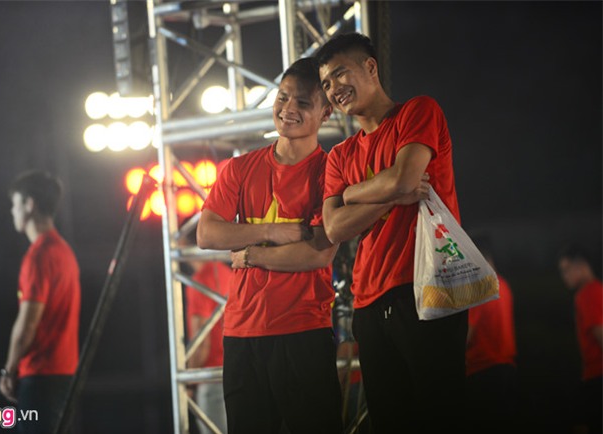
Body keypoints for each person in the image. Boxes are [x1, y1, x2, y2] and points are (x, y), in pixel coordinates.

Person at [317, 32, 464, 434]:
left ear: (370, 67)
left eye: (340, 74)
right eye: (326, 83)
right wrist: (387, 197)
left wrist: (350, 194)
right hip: (367, 303)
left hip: (428, 287)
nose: (333, 89)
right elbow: (334, 226)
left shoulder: (418, 111)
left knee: (440, 416)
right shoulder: (339, 156)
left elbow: (405, 178)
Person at [196, 57, 344, 434]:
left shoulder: (332, 171)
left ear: (326, 112)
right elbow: (207, 234)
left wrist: (250, 254)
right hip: (241, 333)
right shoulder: (239, 168)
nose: (288, 108)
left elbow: (317, 252)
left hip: (303, 329)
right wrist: (275, 231)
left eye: (303, 102)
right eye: (282, 97)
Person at [0, 170, 81, 434]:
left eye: (15, 204)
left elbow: (27, 323)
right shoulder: (64, 252)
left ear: (29, 205)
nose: (12, 211)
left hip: (40, 376)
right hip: (64, 375)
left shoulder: (39, 256)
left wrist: (9, 369)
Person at [465, 238, 518, 433]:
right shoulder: (503, 285)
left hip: (483, 372)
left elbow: (467, 335)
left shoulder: (480, 286)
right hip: (508, 370)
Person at [185, 252, 233, 433]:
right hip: (235, 372)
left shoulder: (200, 281)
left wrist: (189, 382)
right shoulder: (228, 273)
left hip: (211, 377)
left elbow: (202, 344)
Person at [558, 244, 603, 434]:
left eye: (567, 269)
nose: (564, 276)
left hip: (596, 376)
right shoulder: (599, 289)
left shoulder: (587, 294)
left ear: (582, 265)